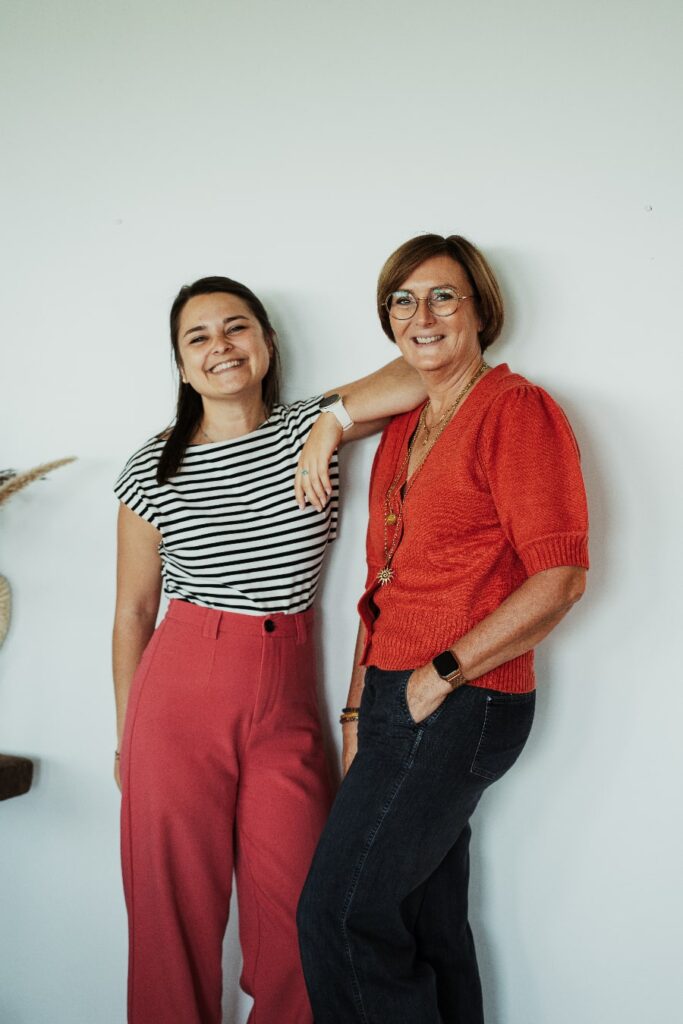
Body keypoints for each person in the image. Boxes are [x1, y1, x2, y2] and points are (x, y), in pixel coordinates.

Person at [112, 275, 425, 1024]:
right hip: (179, 691)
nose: (220, 346)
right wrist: (127, 737)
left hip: (287, 695)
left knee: (302, 917)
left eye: (236, 327)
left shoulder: (305, 427)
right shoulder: (151, 467)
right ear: (181, 365)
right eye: (198, 337)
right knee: (171, 918)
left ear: (267, 342)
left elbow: (420, 370)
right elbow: (133, 611)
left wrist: (332, 422)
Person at [296, 234, 590, 1024]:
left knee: (337, 916)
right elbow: (379, 589)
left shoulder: (515, 410)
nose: (420, 315)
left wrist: (441, 674)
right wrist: (357, 709)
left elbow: (560, 577)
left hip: (462, 697)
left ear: (480, 310)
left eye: (442, 297)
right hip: (392, 698)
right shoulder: (403, 425)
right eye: (402, 301)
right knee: (423, 923)